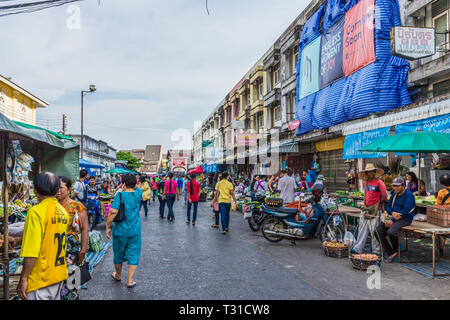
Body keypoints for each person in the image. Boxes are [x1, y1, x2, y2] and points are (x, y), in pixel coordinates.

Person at [18, 172, 69, 300]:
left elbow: (32, 251)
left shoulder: (35, 212)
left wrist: (24, 279)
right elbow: (48, 238)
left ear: (35, 190)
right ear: (57, 190)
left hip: (41, 278)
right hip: (58, 274)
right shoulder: (63, 211)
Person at [106, 173, 142, 289]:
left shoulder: (120, 196)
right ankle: (130, 281)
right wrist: (132, 183)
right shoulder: (138, 193)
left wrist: (107, 227)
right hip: (135, 229)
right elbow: (137, 187)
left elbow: (112, 212)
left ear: (124, 183)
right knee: (133, 252)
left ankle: (118, 275)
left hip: (120, 230)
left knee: (118, 253)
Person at [57, 176, 89, 300]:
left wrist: (83, 249)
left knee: (71, 282)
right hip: (54, 250)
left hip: (71, 251)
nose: (58, 191)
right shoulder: (51, 206)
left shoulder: (77, 206)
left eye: (61, 188)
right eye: (56, 188)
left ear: (69, 189)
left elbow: (85, 229)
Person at [376, 177, 415, 263]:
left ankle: (396, 249)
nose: (395, 188)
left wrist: (393, 220)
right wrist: (392, 213)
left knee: (391, 232)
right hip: (392, 217)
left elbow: (406, 210)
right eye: (394, 186)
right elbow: (388, 206)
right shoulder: (394, 194)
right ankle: (391, 251)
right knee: (378, 231)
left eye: (398, 186)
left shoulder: (409, 195)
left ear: (403, 186)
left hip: (405, 219)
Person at [436, 173, 450, 256]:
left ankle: (441, 250)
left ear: (441, 183)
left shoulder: (441, 192)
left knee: (442, 233)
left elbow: (438, 205)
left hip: (446, 216)